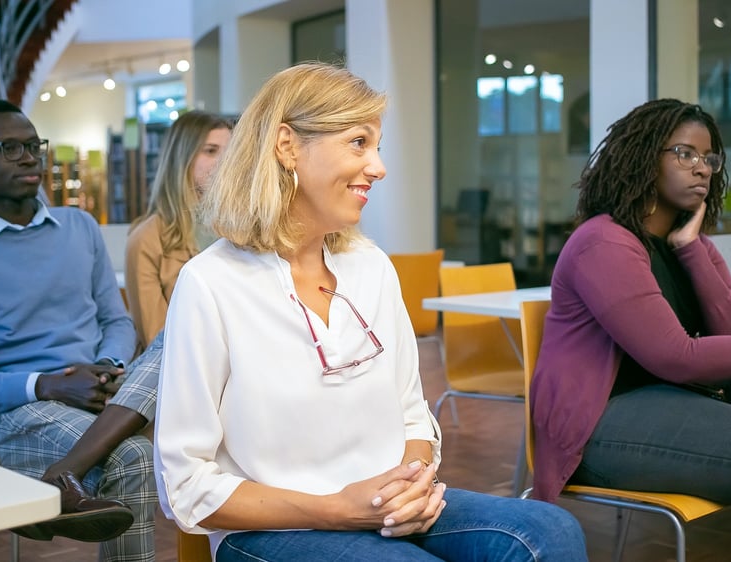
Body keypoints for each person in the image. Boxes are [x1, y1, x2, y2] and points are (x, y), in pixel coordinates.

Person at [153, 62, 587, 562]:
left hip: (384, 504)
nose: (378, 167)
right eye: (359, 143)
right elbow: (186, 486)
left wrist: (410, 485)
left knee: (550, 532)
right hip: (272, 529)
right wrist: (337, 509)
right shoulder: (211, 283)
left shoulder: (371, 266)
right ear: (287, 145)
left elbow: (412, 414)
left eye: (376, 147)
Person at [530, 98, 731, 562]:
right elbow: (675, 358)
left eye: (709, 158)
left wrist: (690, 250)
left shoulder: (692, 244)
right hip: (603, 426)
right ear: (644, 156)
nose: (701, 168)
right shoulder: (603, 242)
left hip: (681, 402)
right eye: (684, 154)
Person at [0, 99, 157, 561]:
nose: (29, 157)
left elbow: (116, 321)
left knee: (177, 338)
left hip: (109, 393)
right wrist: (49, 384)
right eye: (8, 148)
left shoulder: (80, 226)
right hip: (26, 414)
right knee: (134, 456)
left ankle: (64, 476)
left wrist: (105, 368)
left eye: (33, 145)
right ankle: (66, 477)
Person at [125, 110, 232, 350]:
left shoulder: (243, 230)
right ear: (182, 158)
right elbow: (157, 340)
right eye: (211, 150)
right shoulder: (147, 239)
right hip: (184, 369)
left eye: (231, 151)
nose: (226, 161)